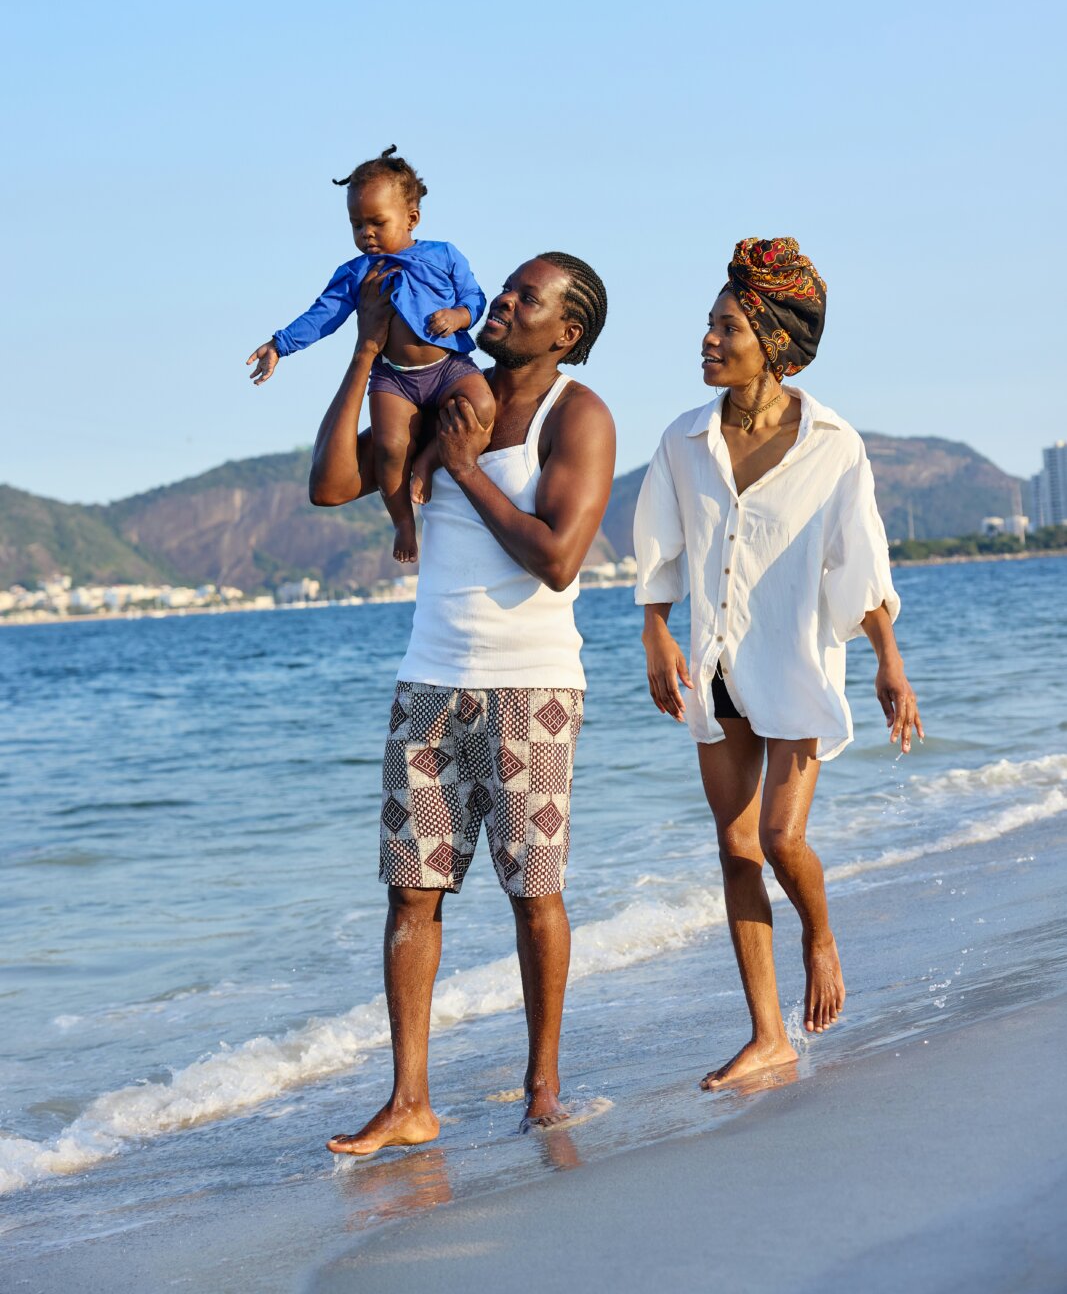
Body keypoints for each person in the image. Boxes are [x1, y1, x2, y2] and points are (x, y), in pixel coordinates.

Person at [309, 250, 615, 1152]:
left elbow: (559, 556)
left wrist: (468, 468)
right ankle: (409, 1102)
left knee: (533, 894)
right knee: (411, 897)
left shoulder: (578, 416)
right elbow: (330, 487)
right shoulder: (445, 390)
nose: (502, 301)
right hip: (428, 682)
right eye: (508, 288)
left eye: (527, 298)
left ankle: (543, 1084)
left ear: (566, 331)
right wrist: (366, 356)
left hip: (532, 688)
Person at [634, 237, 922, 1090]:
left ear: (775, 343)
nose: (708, 340)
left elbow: (858, 562)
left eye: (727, 327)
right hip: (716, 662)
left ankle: (819, 932)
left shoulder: (832, 443)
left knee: (778, 837)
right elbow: (658, 543)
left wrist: (887, 661)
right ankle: (767, 1034)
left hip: (794, 659)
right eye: (709, 325)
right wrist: (655, 629)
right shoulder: (683, 439)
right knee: (732, 846)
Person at [246, 145, 494, 564]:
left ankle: (432, 455)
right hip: (393, 378)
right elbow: (322, 315)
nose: (367, 234)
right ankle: (402, 522)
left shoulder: (443, 255)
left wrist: (459, 315)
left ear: (412, 218)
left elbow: (475, 296)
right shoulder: (356, 273)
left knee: (484, 403)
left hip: (449, 367)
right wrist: (280, 344)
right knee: (389, 448)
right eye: (357, 225)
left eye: (377, 222)